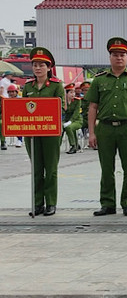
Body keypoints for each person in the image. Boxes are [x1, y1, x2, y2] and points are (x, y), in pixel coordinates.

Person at [86, 38, 127, 217]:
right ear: (110, 57)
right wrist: (91, 133)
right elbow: (92, 107)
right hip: (105, 129)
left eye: (122, 55)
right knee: (106, 168)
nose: (119, 58)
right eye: (115, 55)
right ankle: (107, 204)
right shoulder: (98, 81)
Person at [21, 48, 65, 216]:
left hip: (51, 133)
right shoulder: (27, 87)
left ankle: (51, 203)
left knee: (51, 168)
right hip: (32, 133)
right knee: (36, 169)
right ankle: (37, 203)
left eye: (41, 65)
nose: (38, 68)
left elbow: (61, 107)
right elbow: (22, 108)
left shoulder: (55, 86)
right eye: (35, 65)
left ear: (49, 67)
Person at [62, 83, 83, 154]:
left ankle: (73, 146)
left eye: (73, 92)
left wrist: (70, 121)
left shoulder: (77, 101)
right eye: (71, 92)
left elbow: (76, 113)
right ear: (66, 93)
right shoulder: (63, 102)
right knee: (59, 128)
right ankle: (56, 146)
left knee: (69, 127)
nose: (73, 94)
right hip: (66, 120)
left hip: (77, 120)